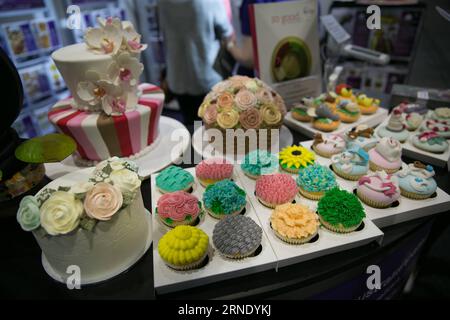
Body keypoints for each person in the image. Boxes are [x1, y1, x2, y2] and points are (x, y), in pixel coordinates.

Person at [158, 0, 234, 127]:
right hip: (207, 76)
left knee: (192, 125)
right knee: (216, 127)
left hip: (177, 78)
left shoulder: (162, 2)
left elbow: (163, 31)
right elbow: (225, 31)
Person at [227, 0, 288, 77]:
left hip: (261, 78)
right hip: (295, 77)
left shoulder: (251, 2)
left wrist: (229, 44)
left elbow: (248, 59)